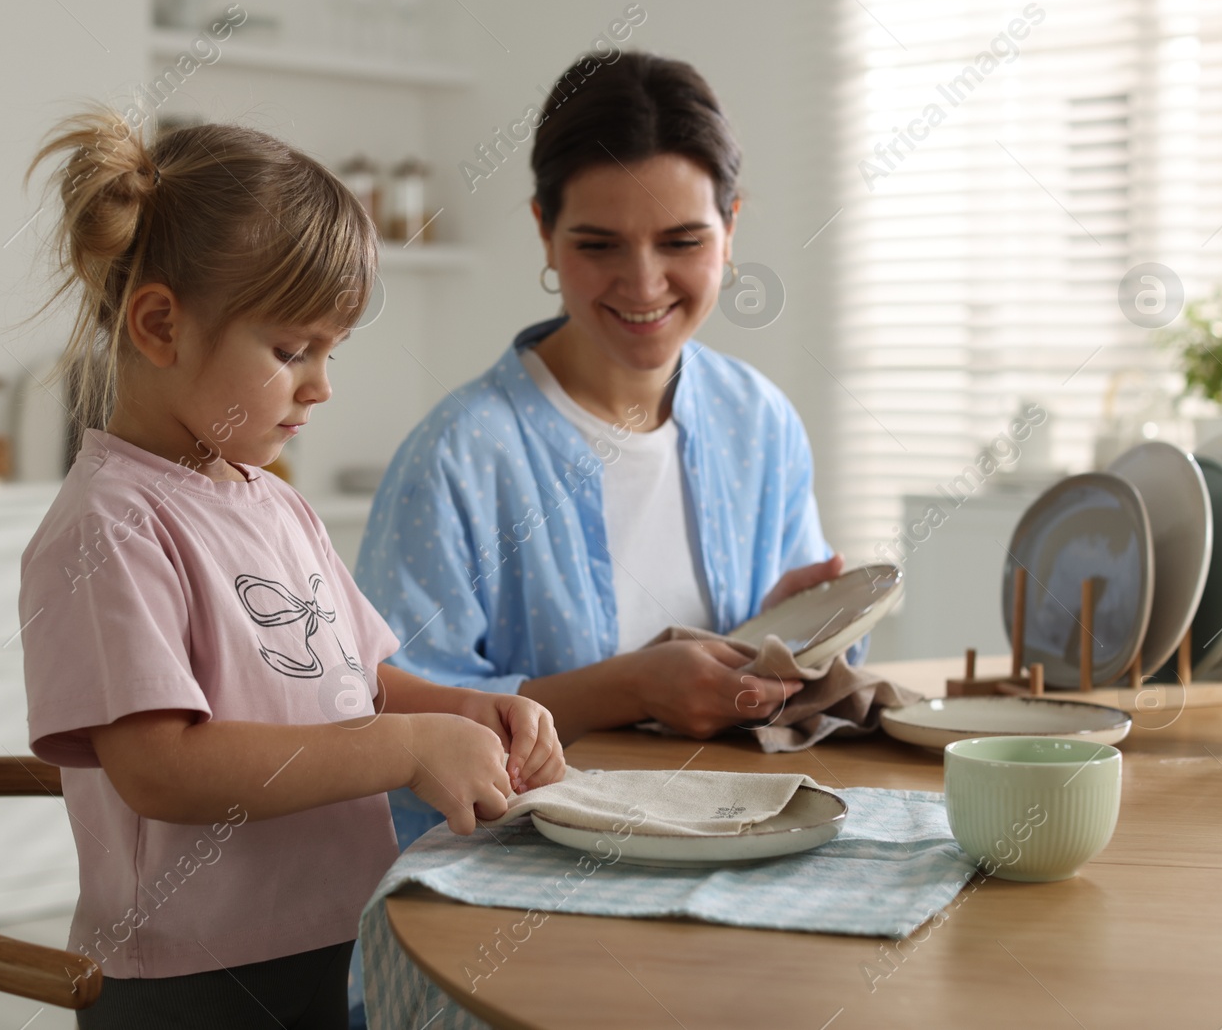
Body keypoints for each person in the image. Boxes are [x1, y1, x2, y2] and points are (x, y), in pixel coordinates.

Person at [16, 106, 564, 1030]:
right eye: (290, 349)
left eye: (330, 351)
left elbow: (362, 683)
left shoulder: (273, 499)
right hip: (189, 974)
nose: (321, 384)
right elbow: (160, 767)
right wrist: (408, 749)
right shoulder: (111, 524)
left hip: (321, 930)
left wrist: (468, 709)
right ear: (159, 324)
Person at [355, 50, 860, 849]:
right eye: (599, 245)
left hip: (741, 843)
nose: (644, 281)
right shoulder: (460, 454)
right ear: (545, 234)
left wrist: (790, 626)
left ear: (731, 230)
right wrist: (631, 688)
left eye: (682, 240)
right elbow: (387, 706)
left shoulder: (757, 422)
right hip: (514, 877)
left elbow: (783, 686)